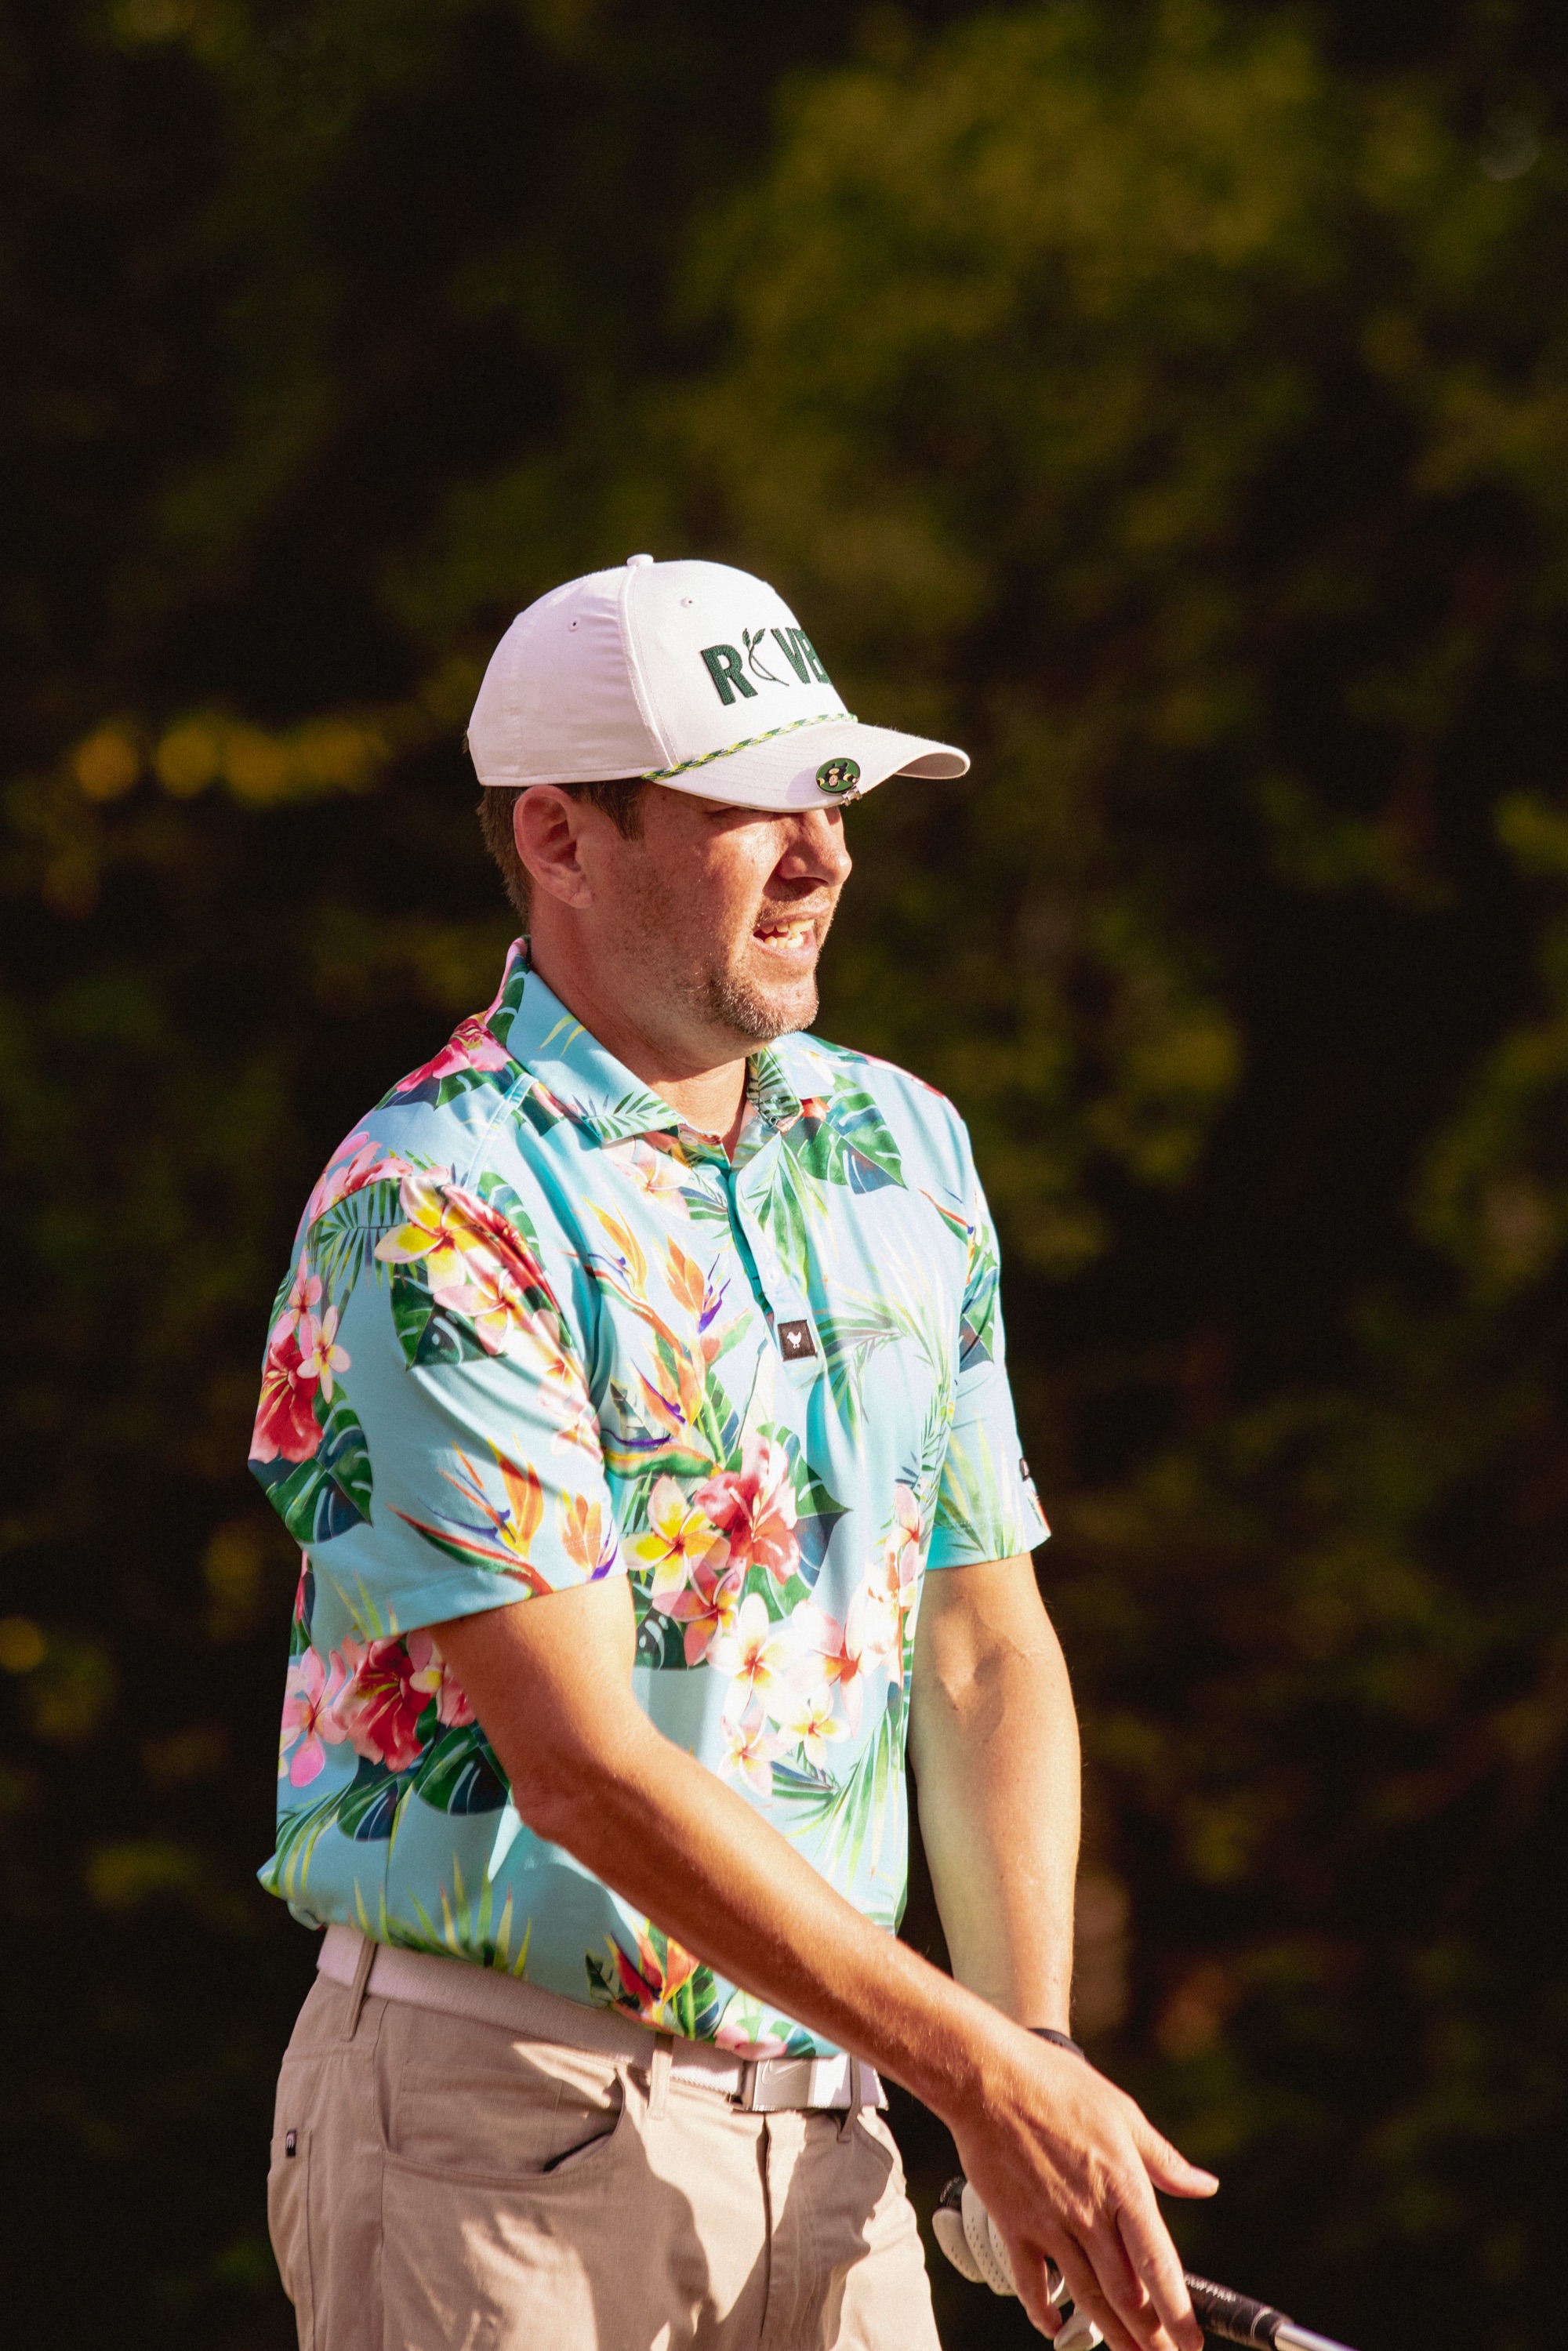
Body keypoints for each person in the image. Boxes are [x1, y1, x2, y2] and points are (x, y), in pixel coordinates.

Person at [252, 553, 1218, 2351]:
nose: (823, 856)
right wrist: (979, 2076)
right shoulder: (433, 1203)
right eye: (756, 805)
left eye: (835, 798)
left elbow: (976, 1642)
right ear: (559, 837)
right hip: (498, 2143)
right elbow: (584, 1771)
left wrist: (1030, 2048)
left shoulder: (903, 1145)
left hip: (842, 2132)